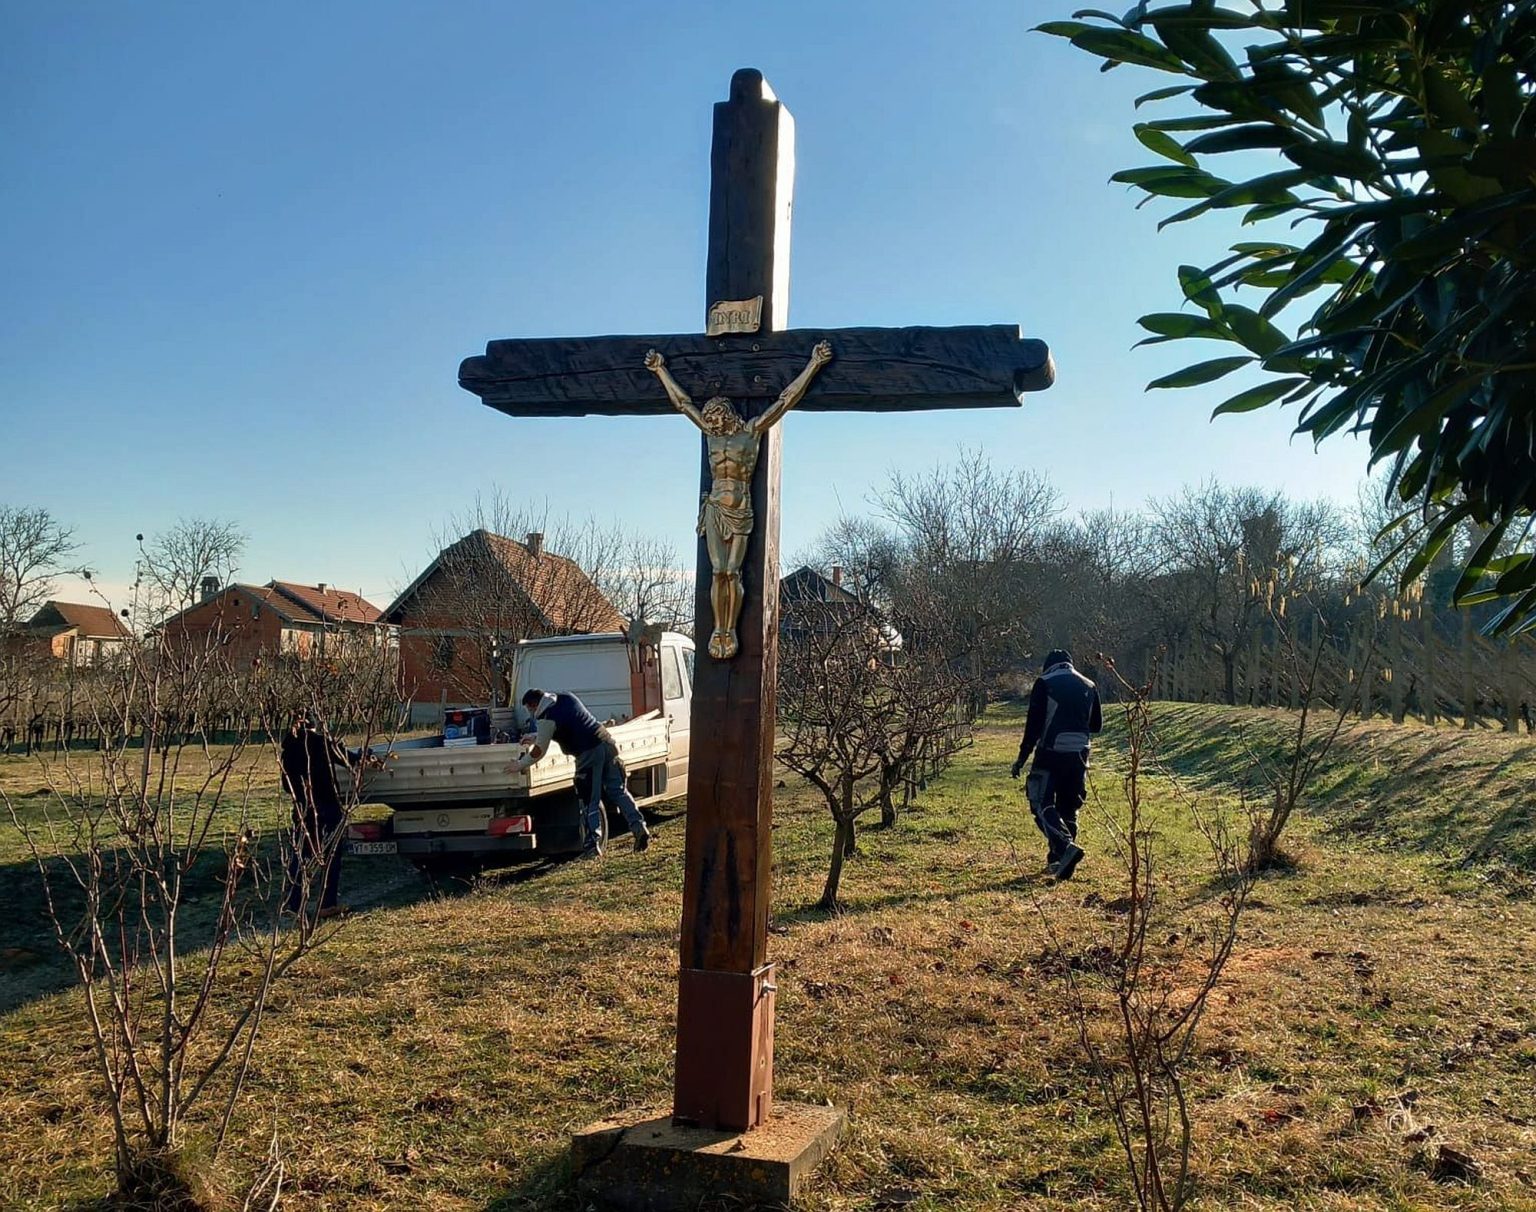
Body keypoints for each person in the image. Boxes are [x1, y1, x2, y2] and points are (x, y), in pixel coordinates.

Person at [643, 341, 833, 660]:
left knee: (733, 571)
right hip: (716, 507)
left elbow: (785, 400)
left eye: (715, 419)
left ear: (725, 415)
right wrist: (660, 369)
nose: (711, 425)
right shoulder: (712, 435)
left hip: (741, 509)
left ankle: (730, 627)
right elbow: (682, 403)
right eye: (709, 421)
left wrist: (814, 363)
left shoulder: (752, 431)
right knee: (719, 572)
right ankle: (721, 628)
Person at [515, 687, 651, 857]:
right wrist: (536, 736)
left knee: (589, 801)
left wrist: (519, 765)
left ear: (534, 705)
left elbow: (539, 752)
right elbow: (570, 724)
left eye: (529, 708)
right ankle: (640, 828)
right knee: (619, 792)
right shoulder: (566, 697)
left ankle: (592, 846)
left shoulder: (546, 716)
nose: (530, 713)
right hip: (607, 743)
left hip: (587, 753)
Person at [1011, 649, 1102, 880]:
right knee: (1069, 807)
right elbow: (1096, 725)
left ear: (1048, 666)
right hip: (1080, 754)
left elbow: (1033, 727)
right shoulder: (1090, 685)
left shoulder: (1044, 683)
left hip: (1050, 752)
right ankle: (1059, 861)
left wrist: (1022, 758)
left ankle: (1064, 847)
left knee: (1041, 802)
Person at [281, 706, 351, 918]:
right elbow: (349, 760)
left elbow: (286, 785)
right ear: (314, 724)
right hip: (328, 806)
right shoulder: (323, 743)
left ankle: (293, 905)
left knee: (300, 857)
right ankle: (326, 904)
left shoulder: (288, 749)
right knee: (331, 855)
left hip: (303, 809)